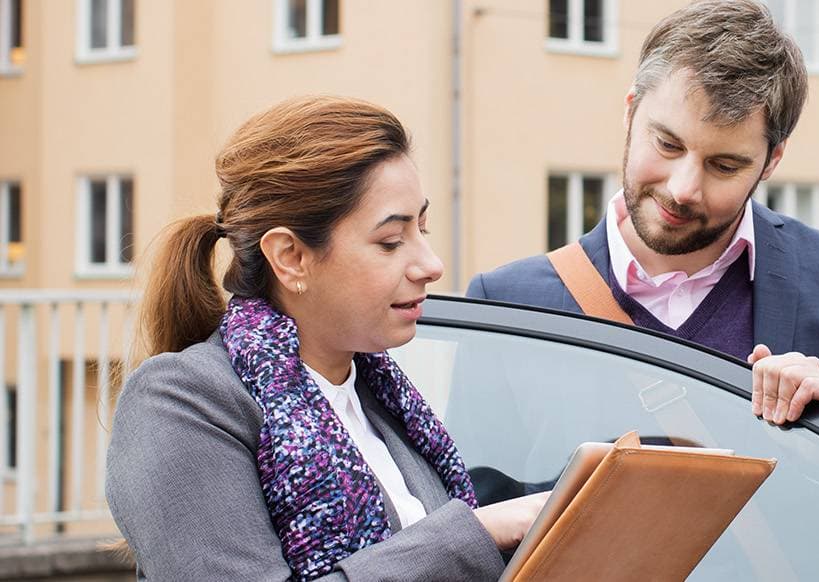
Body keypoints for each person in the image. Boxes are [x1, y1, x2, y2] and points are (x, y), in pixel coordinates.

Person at [467, 0, 819, 491]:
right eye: (667, 144)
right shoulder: (504, 302)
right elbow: (472, 521)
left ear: (773, 159)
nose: (683, 188)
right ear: (631, 113)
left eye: (724, 166)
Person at [106, 96, 547, 581]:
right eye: (391, 241)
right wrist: (476, 535)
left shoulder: (381, 401)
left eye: (422, 228)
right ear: (290, 256)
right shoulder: (182, 402)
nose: (431, 264)